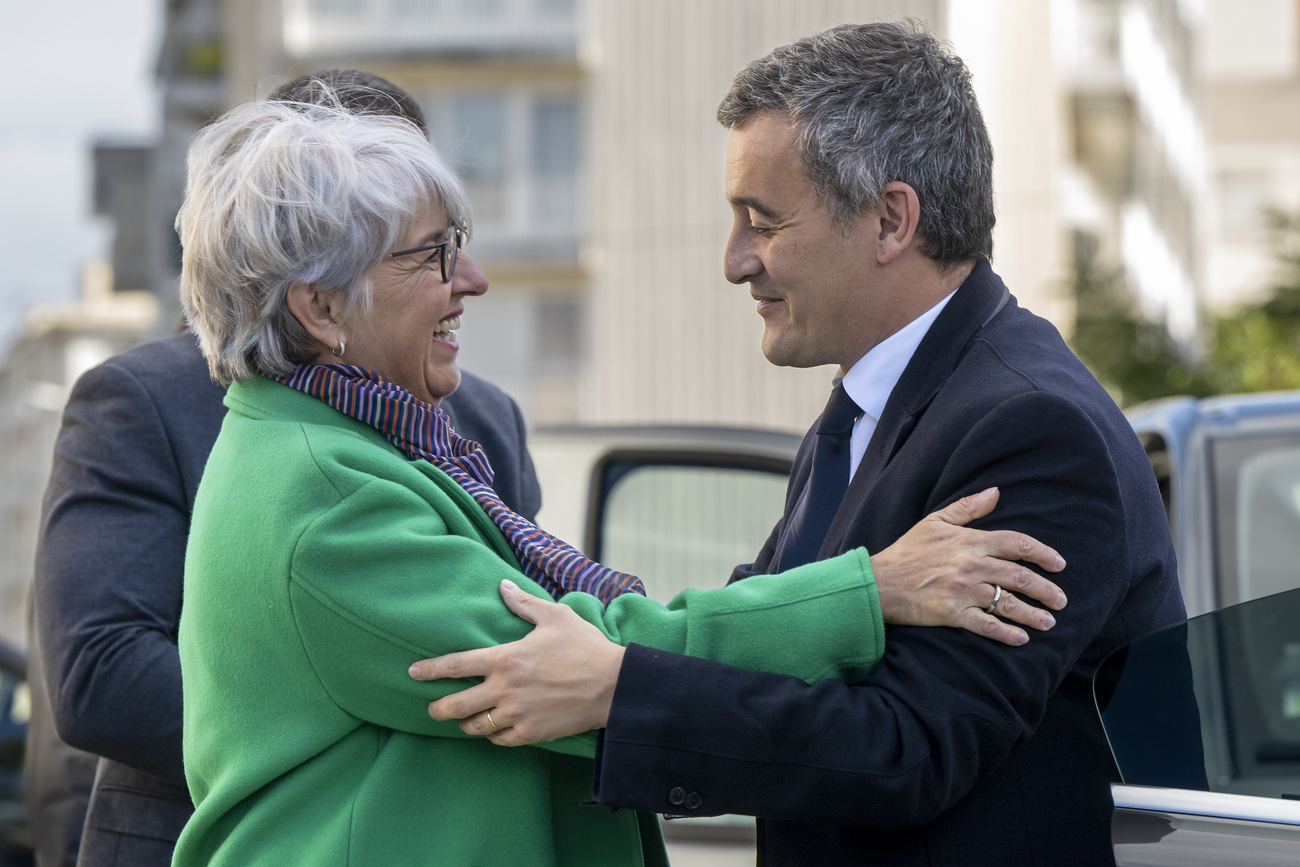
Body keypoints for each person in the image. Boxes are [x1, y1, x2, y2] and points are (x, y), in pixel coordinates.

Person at [170, 86, 1065, 866]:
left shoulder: (364, 446)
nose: (472, 279)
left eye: (461, 246)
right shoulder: (326, 490)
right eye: (432, 255)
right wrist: (873, 590)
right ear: (321, 307)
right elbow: (583, 656)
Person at [414, 21, 1186, 866]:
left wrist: (616, 688)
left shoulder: (1034, 429)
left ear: (891, 219)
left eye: (762, 221)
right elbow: (771, 634)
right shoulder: (870, 402)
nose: (734, 260)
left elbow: (908, 747)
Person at [26, 69, 542, 867]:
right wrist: (344, 719)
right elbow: (99, 672)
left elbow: (522, 628)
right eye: (418, 237)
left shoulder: (484, 418)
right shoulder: (138, 400)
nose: (461, 276)